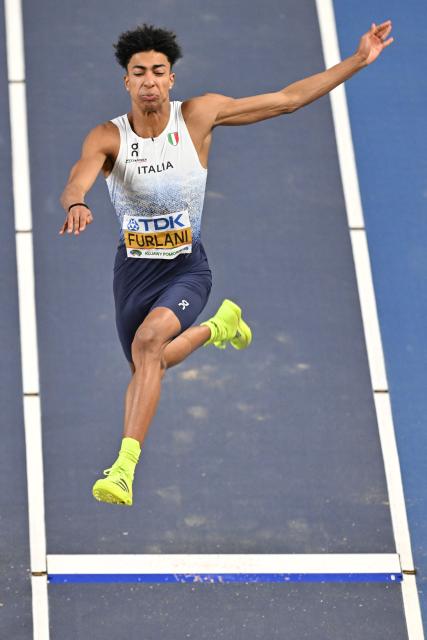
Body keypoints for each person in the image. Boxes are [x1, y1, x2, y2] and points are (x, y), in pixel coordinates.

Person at [59, 21, 393, 506]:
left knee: (150, 344)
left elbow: (287, 99)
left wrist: (358, 60)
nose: (149, 80)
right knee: (152, 361)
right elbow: (78, 177)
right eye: (139, 73)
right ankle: (219, 327)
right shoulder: (109, 137)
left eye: (158, 71)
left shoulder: (198, 116)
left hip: (186, 269)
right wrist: (76, 203)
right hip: (132, 273)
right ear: (126, 82)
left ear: (171, 79)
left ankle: (123, 469)